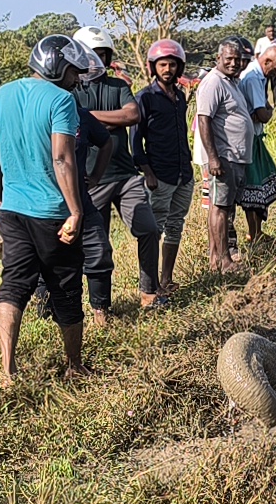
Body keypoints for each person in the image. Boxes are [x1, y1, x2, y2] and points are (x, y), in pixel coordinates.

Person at [0, 34, 100, 384]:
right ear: (58, 66)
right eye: (73, 72)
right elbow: (62, 158)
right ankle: (74, 366)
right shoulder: (61, 100)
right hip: (52, 213)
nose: (77, 79)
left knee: (13, 285)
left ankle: (7, 370)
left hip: (12, 211)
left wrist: (0, 196)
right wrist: (76, 211)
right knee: (65, 289)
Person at [71, 27, 163, 318]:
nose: (96, 60)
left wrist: (88, 120)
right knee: (98, 246)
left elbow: (131, 115)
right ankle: (101, 308)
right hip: (88, 179)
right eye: (90, 55)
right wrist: (109, 122)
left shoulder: (117, 85)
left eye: (102, 54)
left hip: (125, 175)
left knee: (148, 228)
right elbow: (73, 122)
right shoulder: (70, 91)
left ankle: (150, 292)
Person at [133, 39, 195, 294]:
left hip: (183, 173)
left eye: (172, 64)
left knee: (175, 225)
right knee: (154, 229)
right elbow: (135, 141)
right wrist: (148, 172)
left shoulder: (180, 97)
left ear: (179, 67)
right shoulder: (145, 98)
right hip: (159, 175)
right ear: (153, 67)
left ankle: (167, 279)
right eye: (162, 64)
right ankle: (150, 285)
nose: (167, 69)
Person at [195, 38, 256, 275]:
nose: (233, 63)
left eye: (237, 59)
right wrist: (213, 158)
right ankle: (223, 260)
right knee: (219, 207)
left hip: (235, 157)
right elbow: (204, 119)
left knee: (225, 207)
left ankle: (217, 260)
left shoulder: (231, 82)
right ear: (218, 59)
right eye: (228, 59)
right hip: (223, 156)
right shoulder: (213, 82)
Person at [237, 45, 276, 246]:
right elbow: (263, 113)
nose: (274, 75)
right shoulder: (252, 78)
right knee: (253, 189)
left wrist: (265, 109)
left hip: (255, 138)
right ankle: (253, 234)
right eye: (274, 70)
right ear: (266, 62)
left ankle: (257, 232)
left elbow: (263, 108)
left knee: (261, 187)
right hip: (249, 140)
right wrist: (268, 111)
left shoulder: (259, 77)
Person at [253, 24, 276, 106]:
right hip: (264, 69)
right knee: (264, 87)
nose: (271, 33)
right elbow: (256, 55)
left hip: (275, 69)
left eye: (273, 31)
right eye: (269, 31)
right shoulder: (261, 41)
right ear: (266, 33)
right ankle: (264, 104)